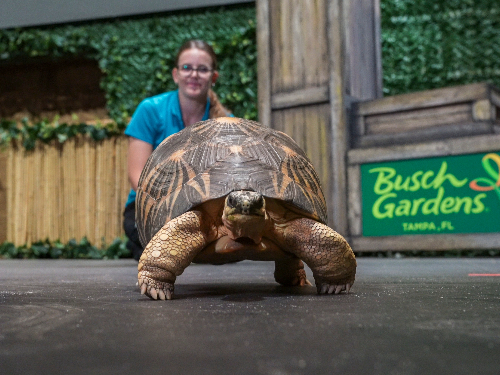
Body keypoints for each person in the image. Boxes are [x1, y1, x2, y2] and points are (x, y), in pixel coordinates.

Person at [123, 40, 232, 260]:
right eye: (187, 68)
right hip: (150, 207)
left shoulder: (225, 123)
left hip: (205, 209)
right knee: (159, 251)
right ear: (175, 74)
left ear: (213, 78)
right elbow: (137, 175)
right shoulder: (150, 110)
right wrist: (172, 209)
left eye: (202, 69)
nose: (194, 74)